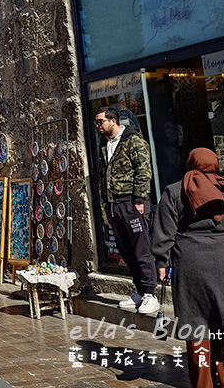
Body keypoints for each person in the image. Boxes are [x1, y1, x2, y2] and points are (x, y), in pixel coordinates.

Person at [151, 148, 224, 388]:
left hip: (191, 263)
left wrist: (161, 262)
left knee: (197, 325)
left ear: (191, 163)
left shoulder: (174, 191)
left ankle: (204, 384)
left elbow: (163, 232)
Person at [94, 105, 159, 314]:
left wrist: (140, 199)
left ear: (113, 121)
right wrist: (105, 201)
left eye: (100, 122)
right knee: (126, 250)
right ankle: (139, 290)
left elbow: (143, 170)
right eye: (96, 123)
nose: (98, 126)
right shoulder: (105, 144)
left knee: (141, 248)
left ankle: (150, 293)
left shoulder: (133, 141)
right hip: (113, 205)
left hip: (131, 203)